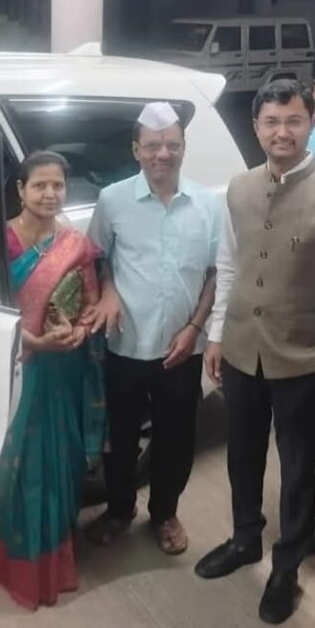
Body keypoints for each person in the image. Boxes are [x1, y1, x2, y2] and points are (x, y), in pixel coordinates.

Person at [195, 80, 315, 625]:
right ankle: (245, 538)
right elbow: (229, 265)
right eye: (271, 122)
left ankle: (286, 566)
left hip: (305, 358)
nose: (282, 132)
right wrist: (217, 335)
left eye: (293, 120)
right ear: (256, 127)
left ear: (310, 123)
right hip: (242, 349)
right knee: (243, 452)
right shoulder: (239, 189)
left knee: (297, 467)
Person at [0, 150, 105, 610]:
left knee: (58, 460)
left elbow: (90, 304)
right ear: (20, 189)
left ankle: (52, 555)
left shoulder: (75, 245)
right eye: (40, 185)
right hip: (18, 367)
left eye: (58, 186)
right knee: (16, 464)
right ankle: (9, 561)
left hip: (62, 369)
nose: (50, 194)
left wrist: (80, 331)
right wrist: (33, 340)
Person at [83, 102, 219, 555]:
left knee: (176, 440)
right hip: (124, 344)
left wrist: (195, 327)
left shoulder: (207, 204)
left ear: (184, 147)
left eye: (171, 145)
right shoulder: (113, 200)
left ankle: (165, 513)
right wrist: (107, 292)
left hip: (182, 347)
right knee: (120, 440)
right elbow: (96, 258)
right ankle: (119, 510)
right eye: (153, 145)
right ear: (136, 150)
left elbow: (217, 272)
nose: (163, 154)